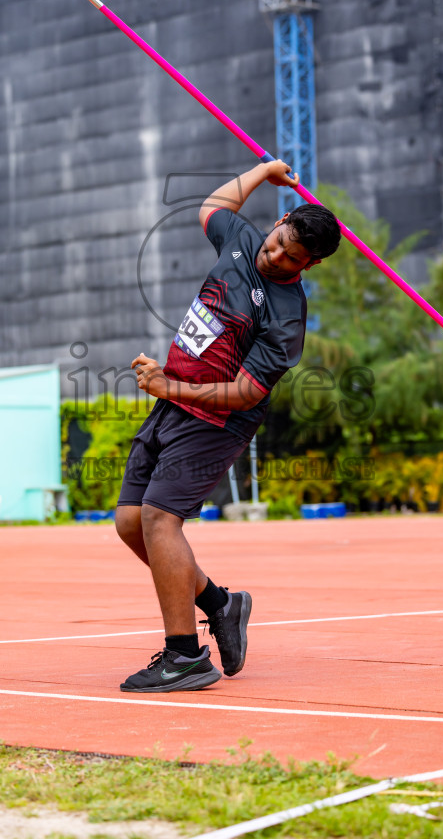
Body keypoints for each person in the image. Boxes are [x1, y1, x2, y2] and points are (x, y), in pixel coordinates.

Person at [115, 160, 341, 692]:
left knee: (159, 520)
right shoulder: (241, 238)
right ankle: (221, 603)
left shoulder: (286, 316)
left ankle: (185, 656)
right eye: (280, 240)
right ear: (280, 220)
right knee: (130, 524)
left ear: (310, 265)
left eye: (293, 257)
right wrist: (264, 170)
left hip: (213, 421)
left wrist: (171, 386)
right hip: (171, 407)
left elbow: (246, 393)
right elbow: (212, 208)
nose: (277, 255)